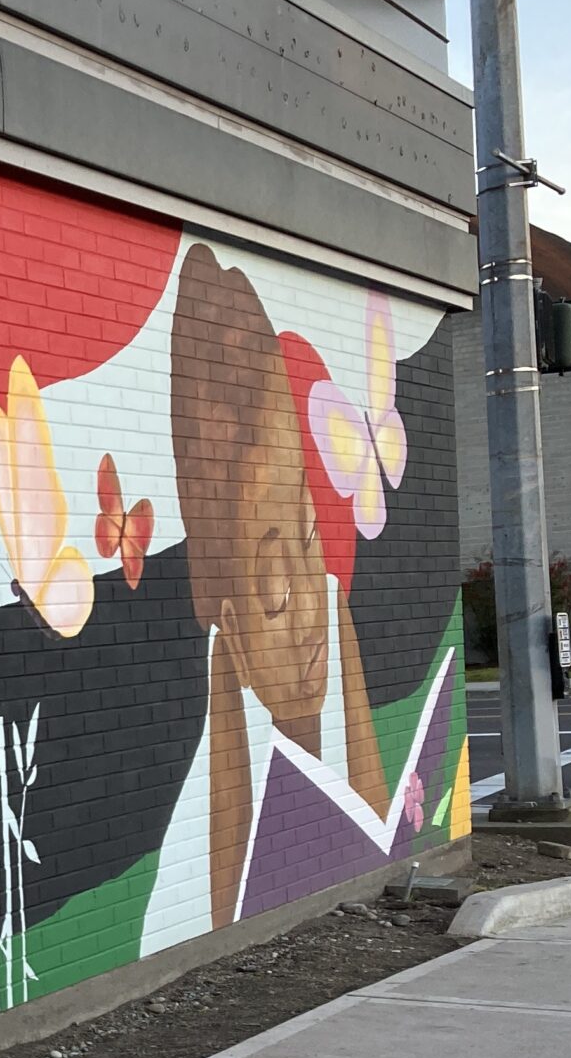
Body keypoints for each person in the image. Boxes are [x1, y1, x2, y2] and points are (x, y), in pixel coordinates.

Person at [151, 245, 394, 940]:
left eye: (311, 542)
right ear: (227, 626)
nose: (310, 621)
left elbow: (372, 830)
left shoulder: (325, 620)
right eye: (275, 595)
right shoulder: (189, 872)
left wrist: (335, 613)